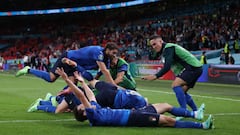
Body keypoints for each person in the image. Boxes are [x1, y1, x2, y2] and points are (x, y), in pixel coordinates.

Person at [56, 68, 214, 129]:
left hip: (132, 113)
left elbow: (89, 95)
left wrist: (83, 82)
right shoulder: (92, 115)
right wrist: (67, 80)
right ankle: (202, 127)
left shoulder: (94, 110)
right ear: (84, 113)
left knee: (165, 105)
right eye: (82, 107)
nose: (84, 105)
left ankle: (195, 115)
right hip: (132, 117)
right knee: (167, 121)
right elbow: (81, 96)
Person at [141, 35, 204, 112]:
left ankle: (183, 111)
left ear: (161, 41)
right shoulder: (167, 49)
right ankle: (196, 111)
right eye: (152, 46)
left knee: (175, 85)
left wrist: (156, 76)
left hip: (192, 68)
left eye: (154, 44)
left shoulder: (168, 48)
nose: (153, 47)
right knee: (182, 91)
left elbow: (167, 66)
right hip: (196, 68)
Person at [15, 42, 119, 85]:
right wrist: (114, 86)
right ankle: (29, 69)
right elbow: (105, 71)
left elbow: (102, 72)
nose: (114, 55)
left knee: (73, 85)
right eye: (113, 53)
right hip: (68, 57)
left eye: (116, 54)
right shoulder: (99, 52)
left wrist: (94, 81)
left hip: (75, 64)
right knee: (51, 78)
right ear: (107, 50)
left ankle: (56, 101)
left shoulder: (107, 59)